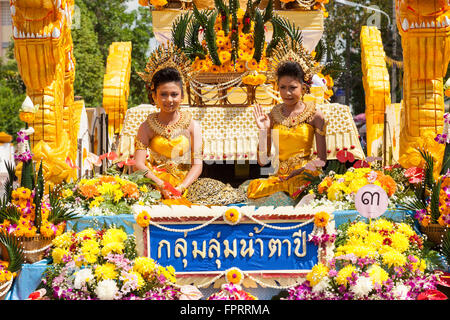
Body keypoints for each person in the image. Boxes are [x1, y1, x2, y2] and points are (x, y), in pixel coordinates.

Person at [247, 60, 327, 200]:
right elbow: (262, 160)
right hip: (280, 178)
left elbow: (322, 160)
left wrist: (301, 170)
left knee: (298, 188)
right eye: (282, 87)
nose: (287, 93)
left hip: (305, 176)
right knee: (255, 188)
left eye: (292, 87)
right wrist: (263, 131)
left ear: (303, 87)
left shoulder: (315, 115)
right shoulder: (273, 115)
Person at [134, 67, 203, 199]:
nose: (169, 100)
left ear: (182, 96)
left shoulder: (192, 126)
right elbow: (138, 164)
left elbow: (197, 165)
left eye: (174, 94)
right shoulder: (146, 127)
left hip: (185, 185)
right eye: (163, 94)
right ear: (154, 96)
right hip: (153, 184)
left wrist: (181, 188)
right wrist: (160, 185)